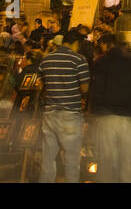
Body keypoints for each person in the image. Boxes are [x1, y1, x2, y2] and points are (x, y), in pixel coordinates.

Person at [88, 34, 131, 182]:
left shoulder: (102, 63)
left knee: (106, 161)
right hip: (128, 120)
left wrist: (94, 111)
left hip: (106, 118)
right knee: (127, 161)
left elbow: (95, 89)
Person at [37, 29, 91, 183]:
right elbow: (85, 89)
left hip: (49, 114)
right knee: (72, 160)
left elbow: (42, 85)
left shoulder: (46, 60)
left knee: (47, 160)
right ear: (76, 43)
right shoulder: (79, 60)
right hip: (70, 115)